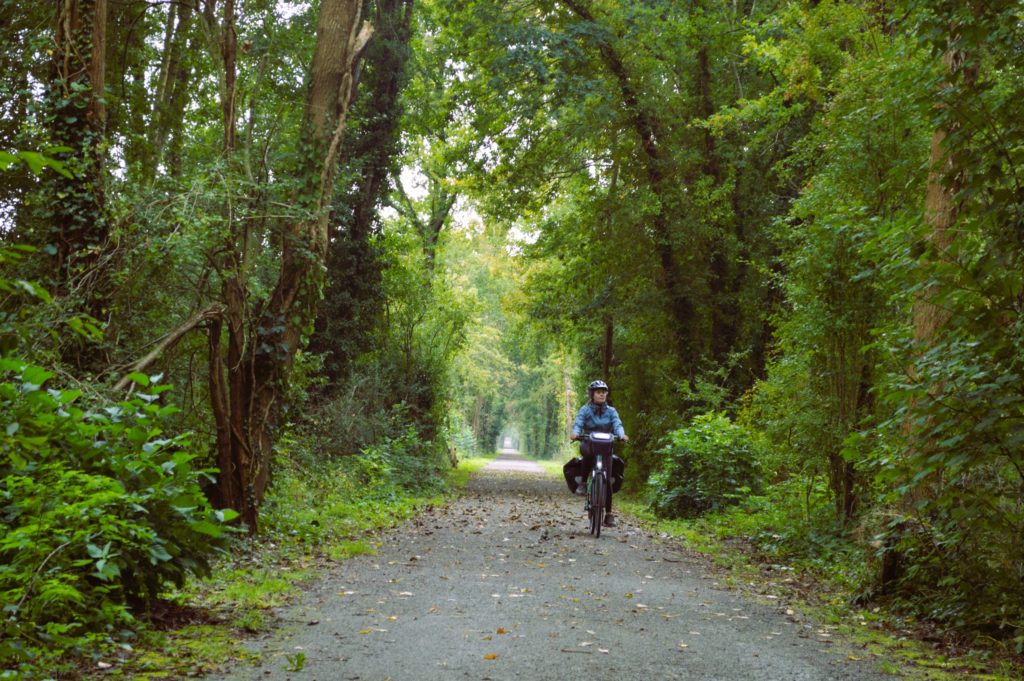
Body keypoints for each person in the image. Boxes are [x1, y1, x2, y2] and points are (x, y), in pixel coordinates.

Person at [568, 380, 629, 527]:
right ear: (592, 394)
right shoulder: (585, 409)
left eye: (604, 392)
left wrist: (621, 434)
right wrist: (576, 433)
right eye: (598, 392)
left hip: (606, 444)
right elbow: (578, 422)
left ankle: (608, 514)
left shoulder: (611, 411)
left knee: (607, 480)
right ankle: (583, 482)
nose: (602, 394)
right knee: (588, 455)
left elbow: (617, 424)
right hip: (589, 442)